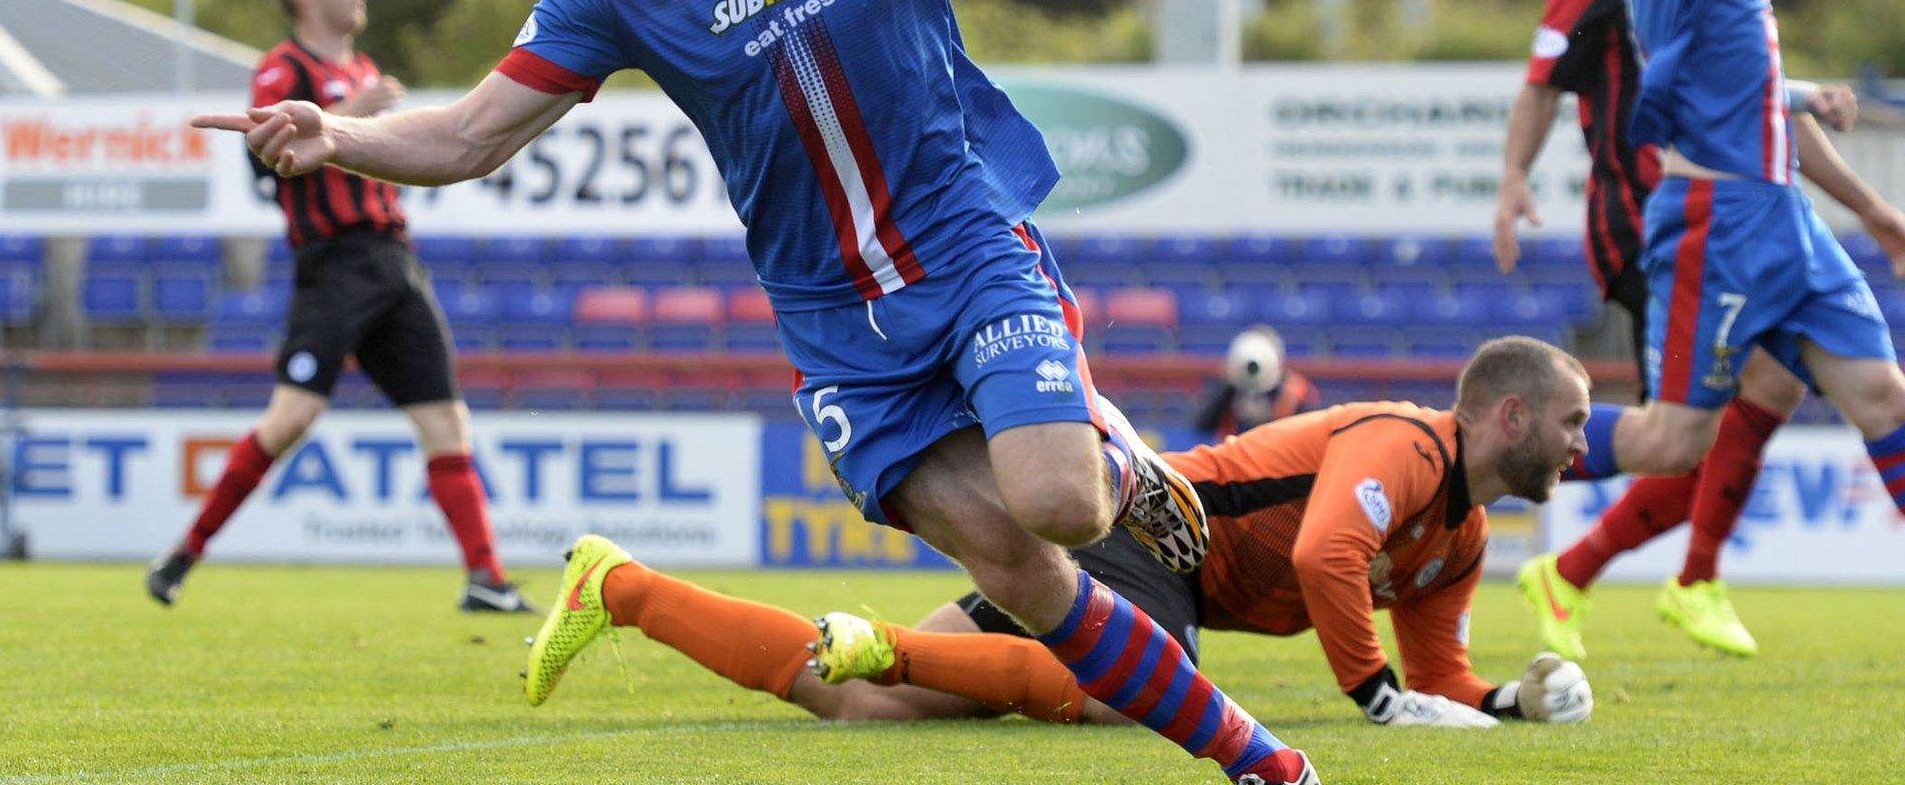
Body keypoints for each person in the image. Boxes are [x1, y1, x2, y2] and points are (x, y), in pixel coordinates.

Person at [194, 0, 1437, 782]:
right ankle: (1266, 766)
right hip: (836, 323)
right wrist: (340, 136)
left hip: (963, 243)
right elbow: (470, 134)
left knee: (1063, 505)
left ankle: (1113, 446)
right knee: (1016, 567)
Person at [522, 337, 1596, 735]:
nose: (1581, 446)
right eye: (1571, 422)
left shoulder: (1457, 536)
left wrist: (1508, 701)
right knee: (1140, 684)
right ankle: (884, 642)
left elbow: (1436, 678)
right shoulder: (1404, 443)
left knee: (851, 703)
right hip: (1149, 536)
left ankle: (616, 590)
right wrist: (1371, 701)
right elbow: (1324, 556)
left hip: (1164, 576)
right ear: (1507, 417)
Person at [1492, 0, 1905, 658]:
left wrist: (1865, 202)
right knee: (1687, 435)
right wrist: (1512, 176)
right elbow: (1542, 81)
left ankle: (1632, 573)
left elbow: (1761, 112)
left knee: (1788, 393)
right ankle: (1468, 465)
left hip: (1754, 217)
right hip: (1655, 219)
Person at [148, 0, 534, 614]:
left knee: (447, 422)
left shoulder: (361, 67)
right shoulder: (285, 67)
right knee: (291, 418)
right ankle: (184, 552)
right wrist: (355, 107)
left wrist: (360, 103)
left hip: (394, 262)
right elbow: (264, 159)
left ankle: (486, 578)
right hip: (334, 265)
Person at [1192, 325, 1321, 440]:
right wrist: (1227, 389)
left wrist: (1265, 418)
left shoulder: (1296, 389)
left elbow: (1308, 433)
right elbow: (1201, 425)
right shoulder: (1230, 387)